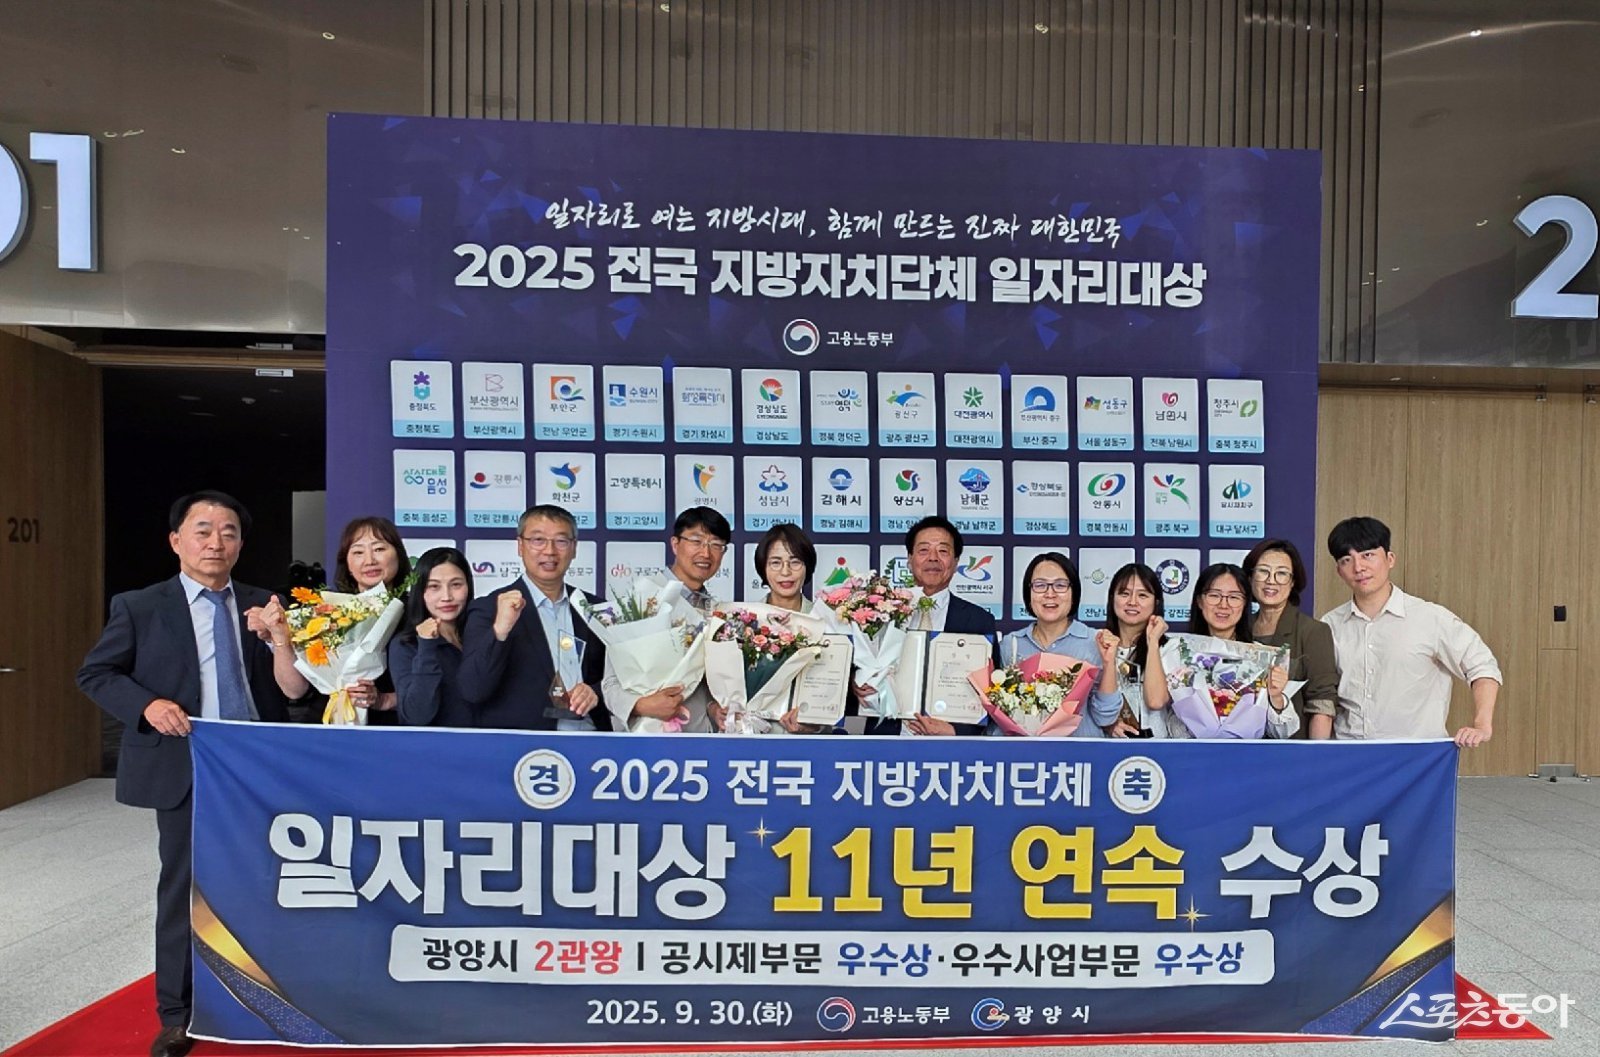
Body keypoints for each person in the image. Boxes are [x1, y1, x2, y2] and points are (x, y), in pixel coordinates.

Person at [76, 491, 309, 1057]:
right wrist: (147, 705)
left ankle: (272, 999)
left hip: (256, 765)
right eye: (202, 530)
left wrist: (278, 638)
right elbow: (96, 673)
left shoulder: (265, 605)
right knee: (184, 888)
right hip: (187, 762)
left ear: (241, 544)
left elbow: (295, 690)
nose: (215, 542)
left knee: (267, 881)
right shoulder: (141, 605)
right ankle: (178, 1013)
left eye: (228, 532)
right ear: (176, 540)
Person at [1321, 516, 1500, 744]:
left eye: (1368, 555)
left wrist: (1482, 725)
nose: (1359, 568)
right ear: (1339, 571)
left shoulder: (1430, 618)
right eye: (1347, 560)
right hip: (1350, 753)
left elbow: (1482, 665)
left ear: (1390, 559)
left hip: (1416, 755)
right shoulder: (1329, 624)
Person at [458, 505, 608, 730]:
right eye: (538, 540)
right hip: (526, 744)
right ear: (520, 546)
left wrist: (594, 692)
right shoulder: (489, 609)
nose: (550, 551)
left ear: (574, 548)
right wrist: (500, 631)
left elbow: (622, 680)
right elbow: (473, 689)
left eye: (561, 541)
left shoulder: (596, 608)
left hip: (591, 739)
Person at [603, 506, 731, 733]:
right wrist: (642, 705)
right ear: (675, 544)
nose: (706, 553)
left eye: (716, 545)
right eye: (696, 541)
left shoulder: (717, 611)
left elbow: (704, 685)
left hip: (700, 740)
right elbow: (610, 683)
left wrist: (713, 708)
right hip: (645, 737)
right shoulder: (640, 599)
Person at [867, 515, 996, 736]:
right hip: (886, 739)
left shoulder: (979, 621)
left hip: (948, 746)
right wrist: (858, 684)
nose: (933, 558)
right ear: (910, 560)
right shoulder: (879, 613)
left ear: (956, 562)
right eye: (924, 550)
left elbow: (992, 694)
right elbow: (858, 674)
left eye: (943, 551)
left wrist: (955, 731)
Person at [996, 552, 1124, 736]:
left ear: (1074, 593)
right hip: (1026, 751)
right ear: (1028, 593)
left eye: (1060, 585)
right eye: (1040, 585)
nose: (1050, 594)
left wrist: (1109, 663)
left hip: (1082, 751)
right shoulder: (1011, 644)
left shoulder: (1096, 641)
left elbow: (1106, 717)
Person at [1169, 563, 1299, 738]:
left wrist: (1276, 696)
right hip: (1189, 751)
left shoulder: (1261, 658)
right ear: (1199, 601)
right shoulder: (1176, 652)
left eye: (1234, 597)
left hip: (1247, 753)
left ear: (1245, 603)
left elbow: (1283, 732)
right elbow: (1162, 716)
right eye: (1214, 595)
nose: (1223, 604)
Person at [1243, 538, 1340, 740]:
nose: (1271, 581)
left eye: (1281, 574)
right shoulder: (1241, 628)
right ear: (1251, 577)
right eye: (1263, 571)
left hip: (1292, 747)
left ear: (1293, 582)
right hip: (1242, 746)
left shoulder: (1313, 631)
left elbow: (1322, 703)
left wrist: (1315, 753)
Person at [329, 516, 412, 721]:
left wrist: (386, 699)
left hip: (398, 726)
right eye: (358, 552)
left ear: (398, 555)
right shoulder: (330, 613)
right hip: (336, 723)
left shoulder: (419, 611)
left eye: (379, 549)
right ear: (347, 563)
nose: (369, 561)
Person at [753, 523, 833, 734]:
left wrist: (815, 723)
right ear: (763, 567)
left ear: (808, 567)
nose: (785, 572)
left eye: (795, 562)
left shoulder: (826, 623)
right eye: (775, 562)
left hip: (810, 743)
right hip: (753, 739)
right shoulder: (745, 622)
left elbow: (833, 690)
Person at [388, 547, 476, 727]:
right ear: (420, 591)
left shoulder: (479, 635)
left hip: (488, 742)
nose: (447, 597)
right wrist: (426, 647)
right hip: (433, 744)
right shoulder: (406, 645)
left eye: (456, 585)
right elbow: (417, 716)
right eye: (434, 586)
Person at [1096, 563, 1174, 738]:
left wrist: (1153, 642)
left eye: (1142, 595)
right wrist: (1109, 723)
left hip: (1158, 748)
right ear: (1112, 599)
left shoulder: (1171, 648)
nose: (1132, 602)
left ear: (1156, 602)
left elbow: (1156, 701)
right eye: (1124, 594)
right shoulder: (1098, 645)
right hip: (1106, 746)